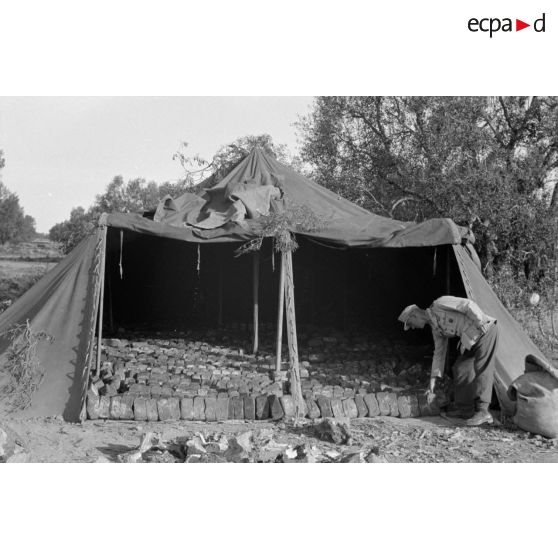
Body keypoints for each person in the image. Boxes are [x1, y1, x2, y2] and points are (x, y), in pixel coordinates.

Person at [398, 296, 498, 426]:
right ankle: (465, 410)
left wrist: (480, 322)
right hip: (470, 340)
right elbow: (439, 353)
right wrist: (432, 383)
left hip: (485, 331)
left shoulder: (440, 304)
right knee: (460, 368)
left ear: (415, 315)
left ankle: (483, 411)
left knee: (483, 368)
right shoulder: (436, 329)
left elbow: (467, 304)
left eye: (410, 324)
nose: (412, 327)